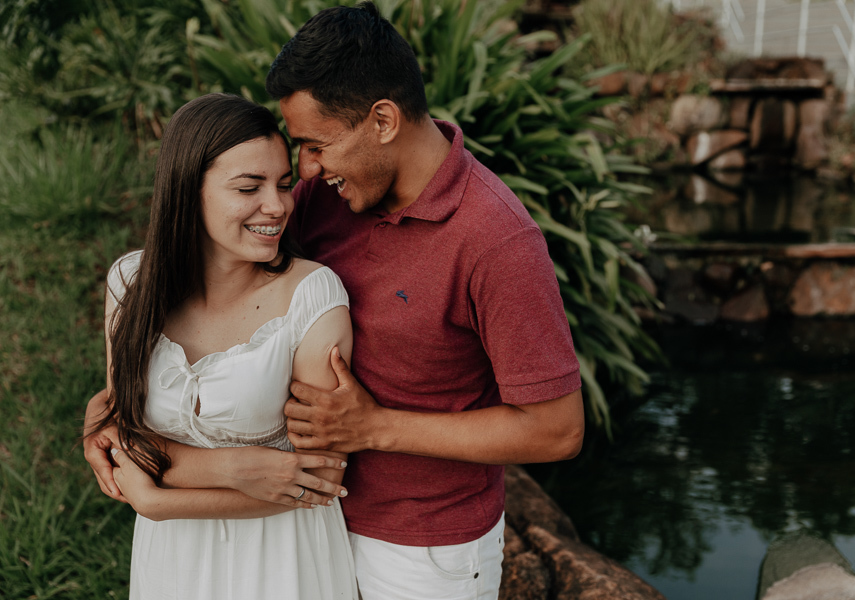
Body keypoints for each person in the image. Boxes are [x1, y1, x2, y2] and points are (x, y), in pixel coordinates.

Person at [85, 3, 585, 598]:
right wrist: (103, 423)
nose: (305, 172)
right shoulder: (324, 197)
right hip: (297, 521)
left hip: (416, 547)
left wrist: (376, 428)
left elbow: (557, 431)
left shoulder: (497, 241)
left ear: (382, 120)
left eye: (316, 144)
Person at [86, 92, 358, 599]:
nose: (277, 207)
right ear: (189, 191)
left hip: (282, 560)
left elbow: (321, 475)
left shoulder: (312, 296)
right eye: (248, 187)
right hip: (172, 561)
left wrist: (160, 499)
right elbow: (121, 426)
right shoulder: (130, 283)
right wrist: (234, 467)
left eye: (282, 184)